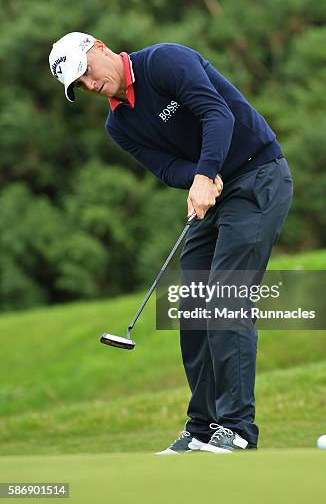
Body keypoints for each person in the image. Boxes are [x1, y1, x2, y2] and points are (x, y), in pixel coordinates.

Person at [49, 31, 293, 454]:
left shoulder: (164, 61)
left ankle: (237, 430)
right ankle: (202, 427)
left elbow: (218, 114)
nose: (89, 85)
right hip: (213, 193)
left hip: (258, 176)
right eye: (79, 85)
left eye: (86, 72)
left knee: (225, 300)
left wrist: (204, 172)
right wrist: (200, 176)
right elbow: (165, 168)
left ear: (101, 49)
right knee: (193, 305)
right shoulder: (118, 125)